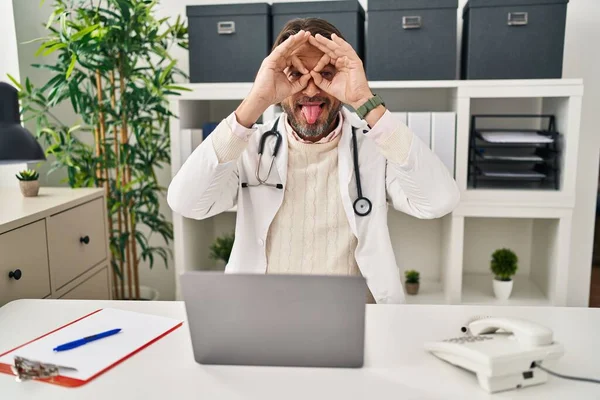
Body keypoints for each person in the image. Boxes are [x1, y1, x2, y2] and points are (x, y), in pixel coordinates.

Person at [167, 18, 460, 304]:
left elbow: (438, 201)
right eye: (295, 74)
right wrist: (256, 100)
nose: (310, 90)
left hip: (357, 316)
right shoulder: (248, 145)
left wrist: (364, 100)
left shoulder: (374, 147)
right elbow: (186, 202)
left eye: (326, 74)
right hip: (263, 314)